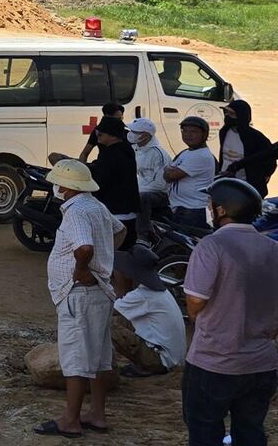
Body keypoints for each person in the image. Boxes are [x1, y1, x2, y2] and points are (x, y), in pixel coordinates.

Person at [183, 177, 278, 446]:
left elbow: (196, 301)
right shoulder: (273, 248)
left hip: (214, 361)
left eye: (211, 204)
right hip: (262, 363)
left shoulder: (211, 246)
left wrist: (200, 319)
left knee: (204, 432)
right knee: (250, 432)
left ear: (222, 210)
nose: (209, 208)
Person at [35, 158, 124, 437]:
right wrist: (105, 259)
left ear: (66, 186)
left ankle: (70, 420)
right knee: (97, 357)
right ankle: (97, 414)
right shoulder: (95, 205)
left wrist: (82, 268)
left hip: (79, 293)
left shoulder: (75, 212)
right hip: (98, 291)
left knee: (76, 359)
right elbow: (120, 231)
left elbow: (84, 248)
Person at [56, 116, 139, 249]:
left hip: (116, 213)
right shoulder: (126, 149)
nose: (97, 135)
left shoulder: (110, 155)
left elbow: (99, 183)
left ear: (113, 136)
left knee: (110, 257)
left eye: (101, 133)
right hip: (128, 211)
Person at [110, 246, 186, 378]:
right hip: (172, 358)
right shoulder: (158, 292)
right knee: (120, 321)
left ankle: (146, 366)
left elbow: (108, 311)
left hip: (161, 360)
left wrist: (120, 286)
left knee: (106, 325)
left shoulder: (143, 295)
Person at [167, 115, 218, 230]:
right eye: (184, 131)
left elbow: (170, 176)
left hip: (192, 211)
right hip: (182, 209)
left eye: (193, 132)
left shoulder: (201, 155)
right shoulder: (186, 152)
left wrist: (169, 171)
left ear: (204, 135)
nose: (187, 135)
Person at [219, 99, 276, 196]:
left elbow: (270, 159)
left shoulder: (256, 138)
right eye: (226, 113)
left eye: (231, 114)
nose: (227, 116)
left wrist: (259, 177)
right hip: (226, 184)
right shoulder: (224, 132)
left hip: (247, 188)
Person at [130, 118, 171, 221]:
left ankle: (143, 232)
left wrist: (135, 191)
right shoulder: (136, 149)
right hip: (142, 189)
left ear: (145, 135)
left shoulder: (158, 154)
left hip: (158, 194)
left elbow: (160, 184)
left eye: (135, 132)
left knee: (141, 198)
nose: (131, 134)